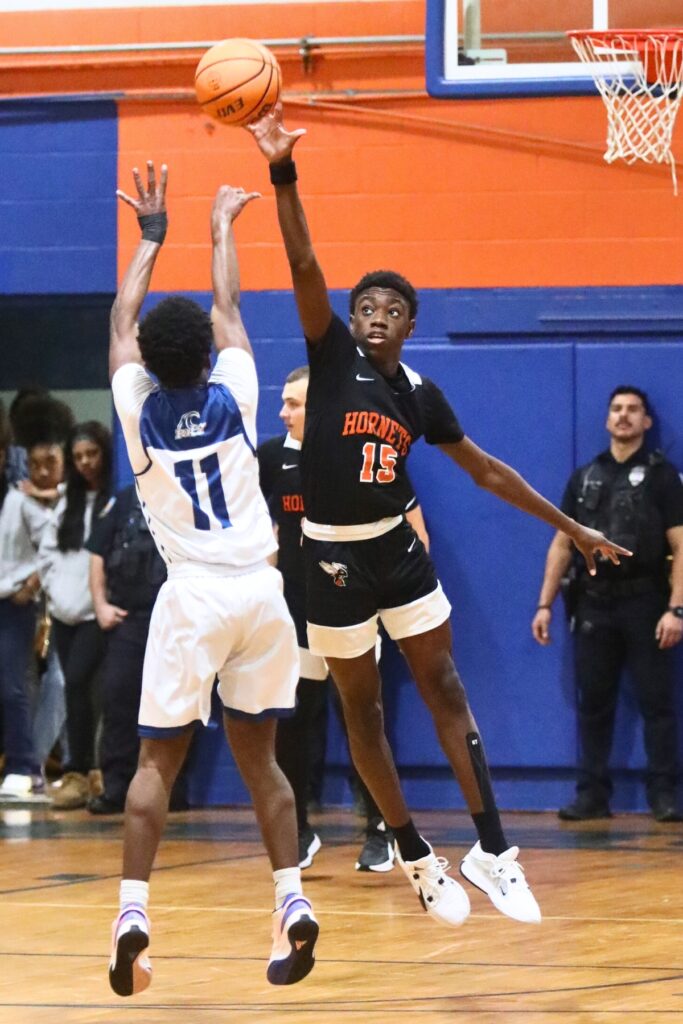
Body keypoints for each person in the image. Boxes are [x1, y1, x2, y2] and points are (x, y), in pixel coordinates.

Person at [247, 104, 630, 930]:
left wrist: (572, 526)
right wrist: (283, 170)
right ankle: (417, 857)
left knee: (444, 686)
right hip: (327, 559)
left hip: (394, 548)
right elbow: (304, 260)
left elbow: (487, 470)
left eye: (391, 307)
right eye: (366, 305)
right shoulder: (330, 355)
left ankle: (492, 851)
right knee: (363, 714)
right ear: (351, 321)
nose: (376, 312)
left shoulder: (420, 394)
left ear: (410, 325)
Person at [107, 161, 318, 997]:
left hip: (191, 598)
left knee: (155, 762)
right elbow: (228, 307)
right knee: (263, 763)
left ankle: (131, 914)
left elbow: (123, 320)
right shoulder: (237, 391)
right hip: (262, 595)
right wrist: (221, 227)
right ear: (203, 356)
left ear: (154, 365)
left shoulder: (134, 405)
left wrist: (149, 240)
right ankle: (289, 898)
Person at [258, 364, 428, 873]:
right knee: (294, 721)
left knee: (362, 717)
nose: (283, 411)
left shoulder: (363, 454)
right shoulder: (269, 457)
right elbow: (266, 533)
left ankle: (382, 829)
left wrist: (400, 599)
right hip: (296, 613)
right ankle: (300, 827)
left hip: (354, 608)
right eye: (283, 402)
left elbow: (414, 528)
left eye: (294, 402)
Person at [531, 386, 683, 822]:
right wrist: (545, 604)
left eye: (633, 410)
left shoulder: (663, 477)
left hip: (646, 601)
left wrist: (676, 608)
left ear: (647, 423)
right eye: (616, 409)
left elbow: (681, 543)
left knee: (657, 703)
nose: (624, 416)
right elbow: (561, 544)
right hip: (594, 605)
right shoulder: (585, 478)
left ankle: (664, 795)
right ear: (606, 419)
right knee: (593, 702)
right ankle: (592, 794)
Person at [87, 484, 180, 815]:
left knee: (177, 705)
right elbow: (97, 552)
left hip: (175, 622)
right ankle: (116, 787)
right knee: (118, 700)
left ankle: (174, 789)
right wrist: (100, 605)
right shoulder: (126, 500)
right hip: (130, 619)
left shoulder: (187, 494)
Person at [38, 421, 112, 809]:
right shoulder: (68, 502)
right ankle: (84, 773)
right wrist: (53, 591)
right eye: (78, 456)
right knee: (79, 692)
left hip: (94, 615)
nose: (85, 463)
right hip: (64, 613)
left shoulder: (115, 499)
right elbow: (48, 553)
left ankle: (83, 770)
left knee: (82, 686)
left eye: (92, 454)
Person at [0, 406, 51, 801]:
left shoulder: (18, 501)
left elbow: (53, 541)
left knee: (11, 686)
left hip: (12, 605)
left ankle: (24, 766)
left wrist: (32, 584)